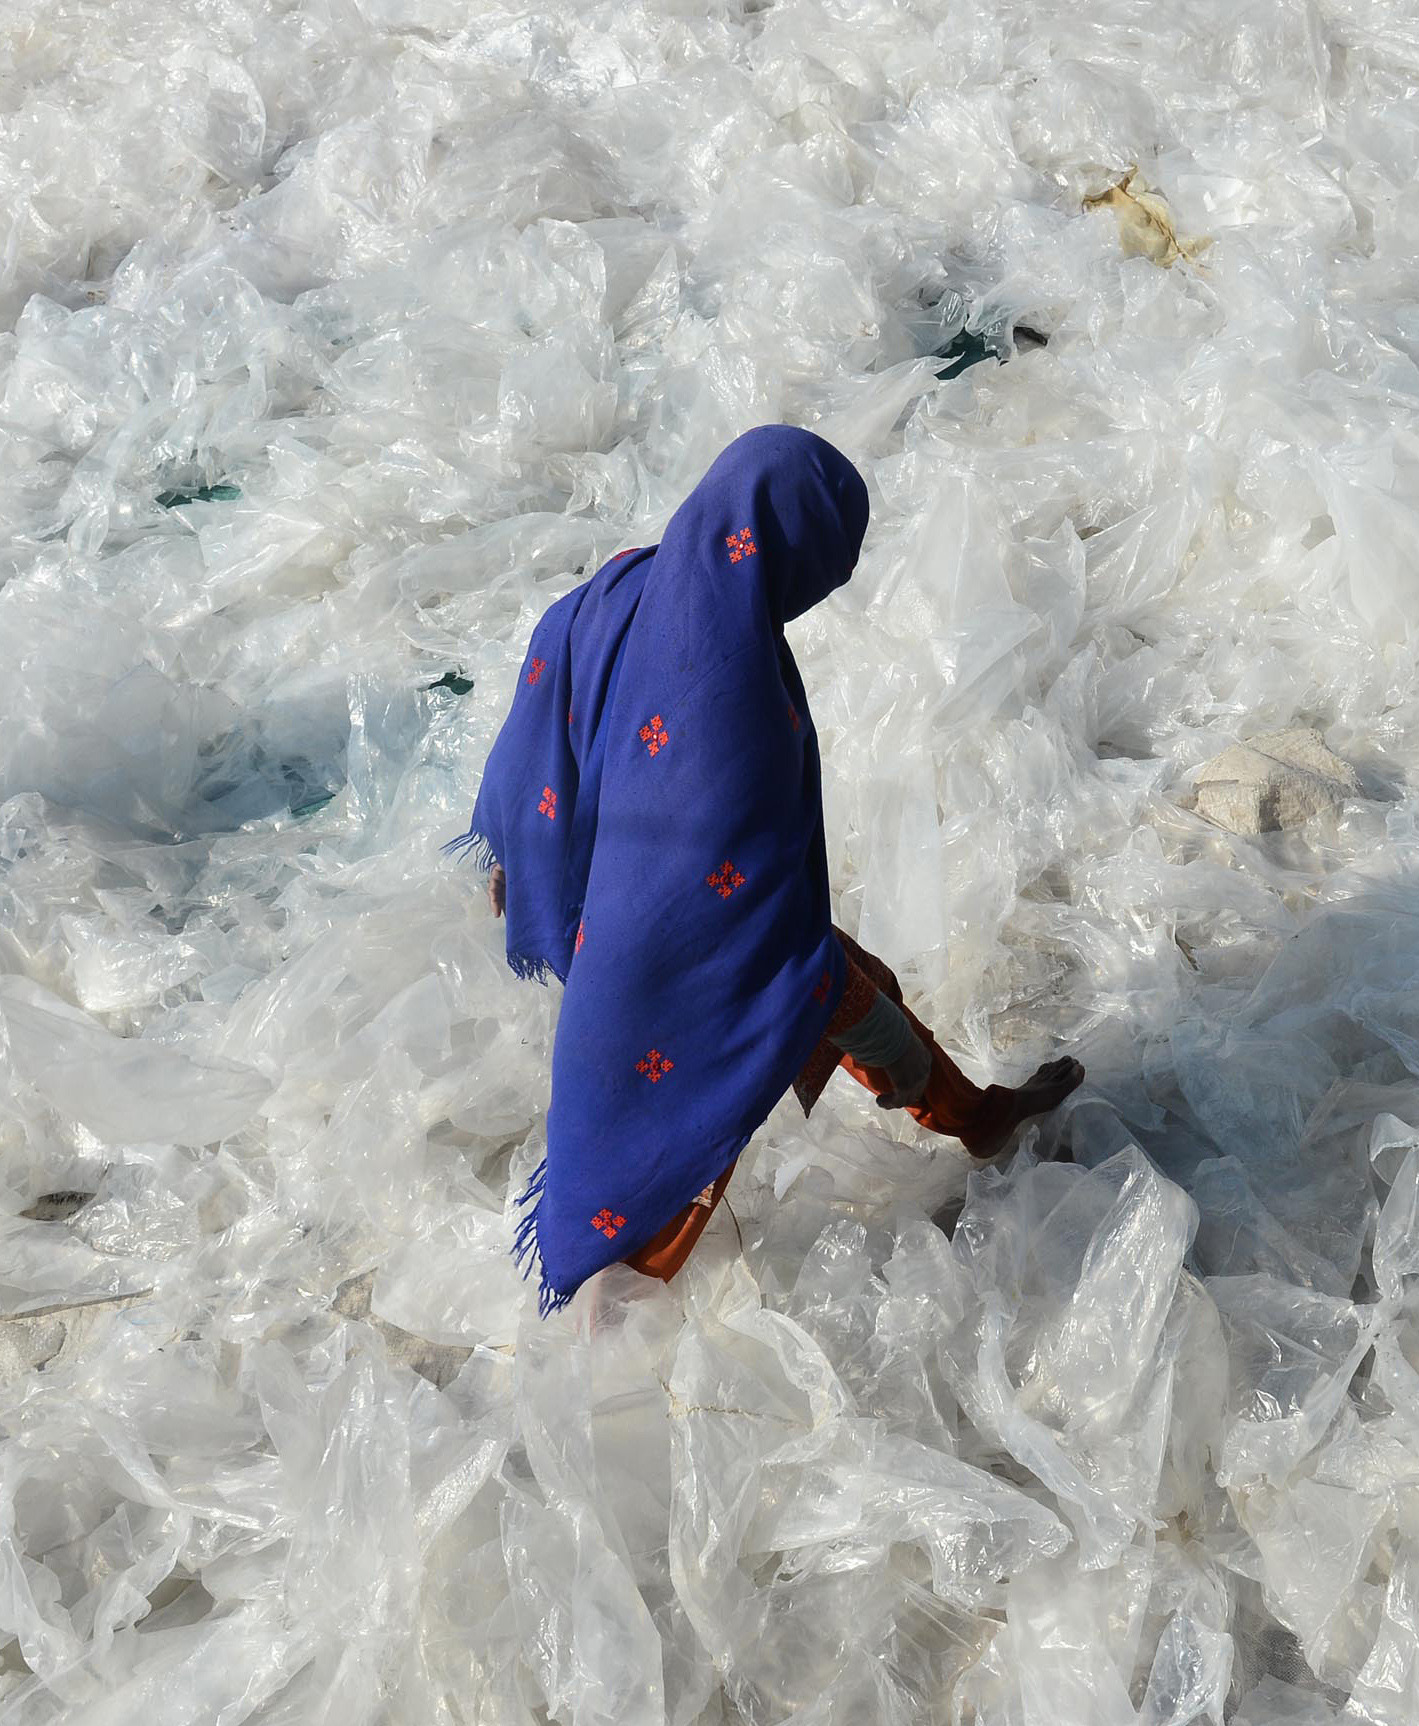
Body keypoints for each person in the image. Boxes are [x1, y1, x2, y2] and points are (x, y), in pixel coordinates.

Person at [458, 426, 1082, 1312]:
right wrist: (857, 1025)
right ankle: (610, 1331)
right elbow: (745, 933)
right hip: (670, 956)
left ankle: (979, 1118)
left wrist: (521, 857)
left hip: (624, 907)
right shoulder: (734, 693)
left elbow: (542, 705)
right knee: (682, 1147)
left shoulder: (622, 585)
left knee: (841, 995)